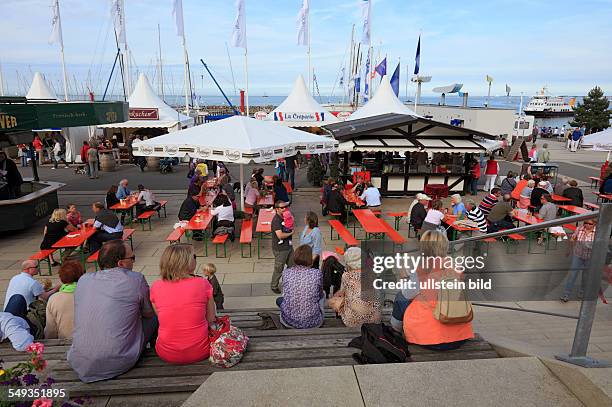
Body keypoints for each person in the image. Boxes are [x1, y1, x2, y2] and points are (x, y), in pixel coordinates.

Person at [68, 240, 157, 382]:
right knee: (154, 319)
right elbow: (148, 314)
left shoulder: (84, 280)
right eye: (132, 258)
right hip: (118, 361)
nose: (134, 262)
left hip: (79, 360)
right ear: (121, 263)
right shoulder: (136, 279)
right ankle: (156, 354)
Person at [403, 230, 474, 349]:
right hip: (460, 337)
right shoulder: (456, 267)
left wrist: (407, 278)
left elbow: (407, 294)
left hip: (430, 339)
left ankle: (395, 330)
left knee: (402, 299)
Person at [149, 244, 215, 365]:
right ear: (186, 262)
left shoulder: (156, 287)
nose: (196, 259)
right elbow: (211, 319)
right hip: (201, 350)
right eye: (194, 256)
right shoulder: (203, 284)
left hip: (166, 353)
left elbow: (162, 318)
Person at [276, 245, 324, 328]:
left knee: (279, 299)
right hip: (313, 323)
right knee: (323, 295)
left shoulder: (286, 272)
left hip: (289, 322)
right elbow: (320, 294)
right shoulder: (317, 273)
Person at [331, 247, 381, 328]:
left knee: (336, 301)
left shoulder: (346, 276)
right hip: (373, 320)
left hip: (353, 321)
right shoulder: (372, 274)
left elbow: (342, 294)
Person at [45, 261, 84, 339]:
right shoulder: (91, 294)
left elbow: (51, 330)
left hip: (65, 341)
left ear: (61, 278)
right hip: (89, 341)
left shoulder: (54, 299)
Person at [561, 220, 596, 302]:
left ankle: (582, 292)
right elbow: (572, 238)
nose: (587, 225)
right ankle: (566, 294)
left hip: (589, 257)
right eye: (585, 223)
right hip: (578, 255)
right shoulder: (579, 229)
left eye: (589, 223)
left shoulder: (597, 232)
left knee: (585, 276)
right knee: (572, 275)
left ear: (594, 224)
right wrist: (568, 249)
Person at [270, 201, 295, 294]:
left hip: (288, 246)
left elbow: (290, 224)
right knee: (279, 269)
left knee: (292, 266)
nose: (285, 208)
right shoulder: (276, 220)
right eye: (282, 207)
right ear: (277, 209)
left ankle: (287, 282)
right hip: (280, 249)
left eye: (285, 206)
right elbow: (280, 235)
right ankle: (274, 285)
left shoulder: (285, 217)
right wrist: (291, 233)